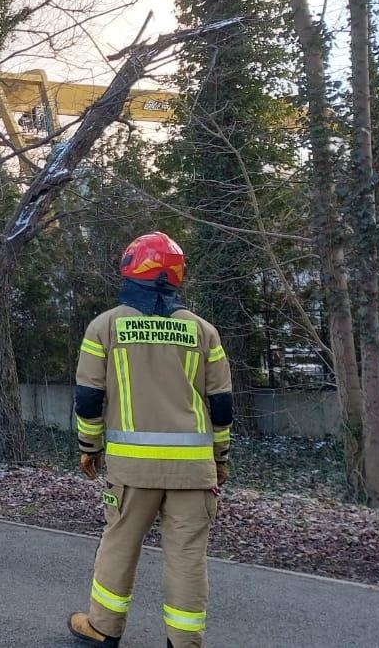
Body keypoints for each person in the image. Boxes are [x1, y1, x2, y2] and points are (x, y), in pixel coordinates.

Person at [67, 232, 232, 648]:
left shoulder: (105, 326)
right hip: (194, 472)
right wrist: (221, 457)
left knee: (119, 544)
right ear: (177, 276)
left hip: (132, 471)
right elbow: (222, 404)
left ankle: (102, 627)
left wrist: (90, 448)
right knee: (188, 556)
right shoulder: (203, 332)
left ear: (130, 269)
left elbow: (88, 398)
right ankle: (184, 641)